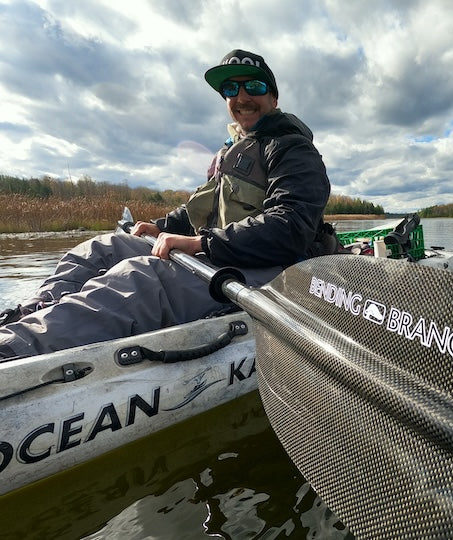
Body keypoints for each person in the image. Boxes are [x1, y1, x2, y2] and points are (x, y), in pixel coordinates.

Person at [0, 48, 336, 359]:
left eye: (254, 86)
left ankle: (15, 351)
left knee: (142, 279)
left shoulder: (291, 148)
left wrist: (202, 243)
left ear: (273, 97)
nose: (242, 97)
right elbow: (201, 209)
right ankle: (28, 315)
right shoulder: (231, 152)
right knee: (102, 248)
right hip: (226, 251)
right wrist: (162, 227)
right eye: (231, 90)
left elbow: (290, 227)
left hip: (278, 269)